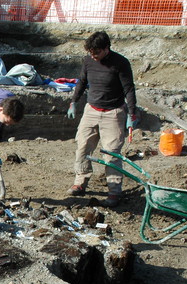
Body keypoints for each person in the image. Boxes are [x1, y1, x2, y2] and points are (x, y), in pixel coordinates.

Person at [66, 31, 138, 208]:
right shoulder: (89, 61)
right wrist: (73, 102)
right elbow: (82, 81)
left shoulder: (120, 63)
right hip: (91, 110)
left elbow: (129, 89)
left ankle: (114, 191)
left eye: (96, 52)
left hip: (113, 113)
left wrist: (131, 114)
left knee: (111, 153)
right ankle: (80, 182)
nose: (93, 56)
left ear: (107, 48)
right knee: (83, 147)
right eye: (91, 52)